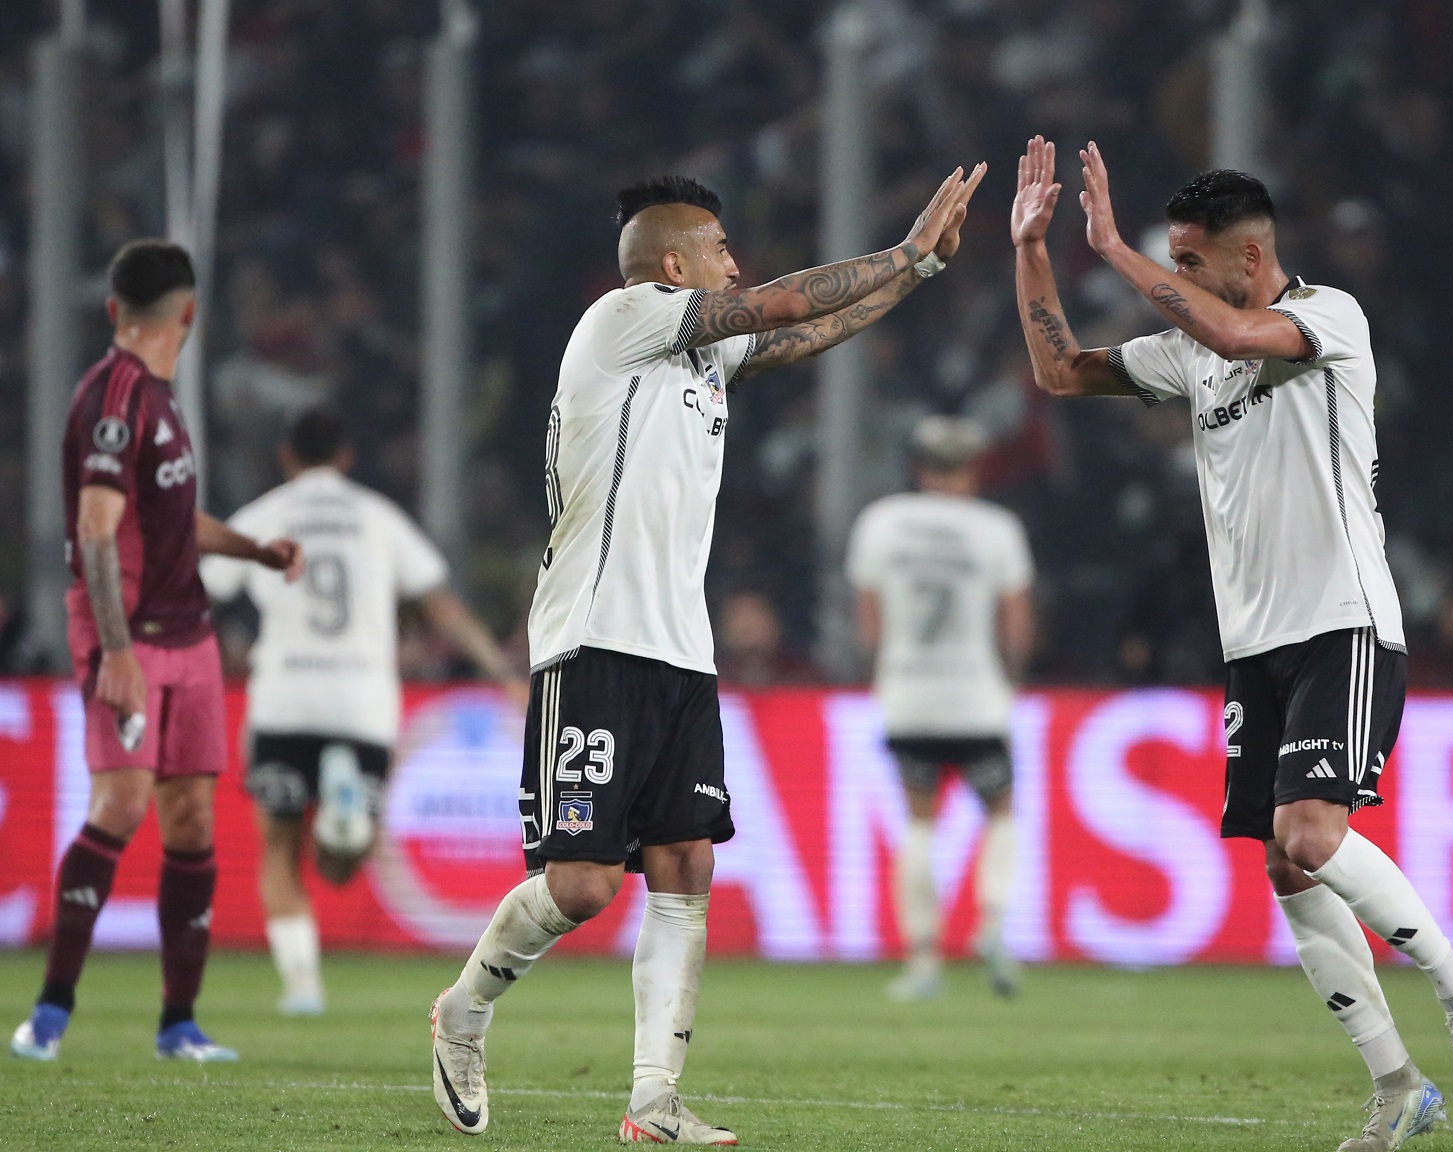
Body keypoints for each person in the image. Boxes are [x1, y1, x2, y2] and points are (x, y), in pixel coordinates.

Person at [427, 164, 986, 1142]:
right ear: (674, 263)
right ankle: (464, 1011)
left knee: (686, 864)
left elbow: (799, 332)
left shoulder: (699, 359)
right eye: (721, 251)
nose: (737, 265)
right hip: (592, 639)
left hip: (680, 652)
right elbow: (769, 304)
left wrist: (922, 273)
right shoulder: (621, 318)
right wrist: (901, 249)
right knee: (584, 884)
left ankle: (653, 1101)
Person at [1011, 136, 1453, 1152]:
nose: (1175, 280)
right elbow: (1062, 371)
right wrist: (1031, 250)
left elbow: (1239, 337)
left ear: (1246, 259)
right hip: (1256, 643)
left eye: (1187, 262)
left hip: (1344, 621)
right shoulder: (1190, 351)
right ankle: (1394, 1083)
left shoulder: (1326, 319)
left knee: (1315, 837)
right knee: (1285, 866)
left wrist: (1110, 247)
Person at [10, 240, 300, 1063]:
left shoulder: (161, 403)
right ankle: (51, 1012)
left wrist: (254, 552)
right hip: (127, 635)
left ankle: (179, 1023)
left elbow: (174, 524)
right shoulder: (116, 398)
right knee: (122, 805)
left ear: (115, 310)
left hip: (192, 633)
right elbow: (97, 535)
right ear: (192, 313)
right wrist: (117, 650)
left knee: (191, 819)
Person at [200, 407, 528, 1016]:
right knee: (342, 866)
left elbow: (205, 593)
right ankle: (344, 810)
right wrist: (503, 673)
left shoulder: (267, 513)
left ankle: (302, 986)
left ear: (286, 458)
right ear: (346, 458)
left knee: (279, 849)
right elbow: (442, 606)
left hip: (285, 699)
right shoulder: (377, 517)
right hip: (362, 703)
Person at [847, 415, 1034, 1002]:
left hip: (908, 696)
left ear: (920, 467)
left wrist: (886, 674)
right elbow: (1017, 622)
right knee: (1001, 812)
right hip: (976, 697)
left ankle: (924, 958)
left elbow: (869, 623)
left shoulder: (881, 522)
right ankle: (992, 924)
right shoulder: (997, 528)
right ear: (973, 469)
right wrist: (1011, 680)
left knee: (919, 822)